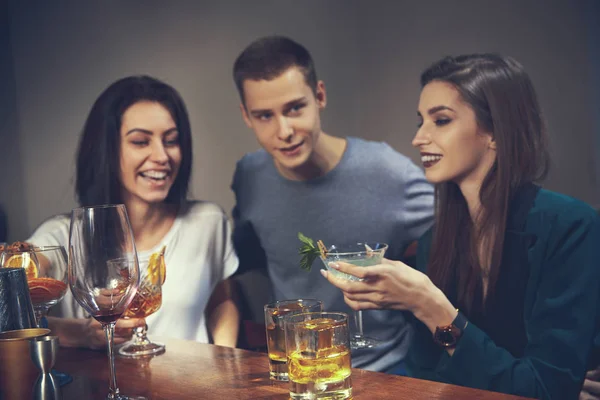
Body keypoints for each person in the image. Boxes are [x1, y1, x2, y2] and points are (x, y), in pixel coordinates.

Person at [321, 53, 600, 399]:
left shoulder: (571, 228)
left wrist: (430, 306)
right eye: (420, 121)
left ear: (496, 132)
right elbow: (428, 375)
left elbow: (544, 390)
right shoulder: (434, 241)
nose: (419, 138)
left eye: (440, 120)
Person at [231, 35, 434, 372]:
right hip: (296, 369)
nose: (284, 131)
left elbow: (466, 236)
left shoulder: (387, 172)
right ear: (246, 116)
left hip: (386, 369)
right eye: (264, 116)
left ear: (320, 96)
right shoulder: (249, 175)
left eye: (295, 108)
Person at [27, 76, 240, 349]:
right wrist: (81, 333)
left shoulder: (208, 222)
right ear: (106, 150)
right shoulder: (60, 235)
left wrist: (227, 360)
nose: (162, 156)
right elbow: (13, 297)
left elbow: (221, 301)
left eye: (171, 141)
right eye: (141, 141)